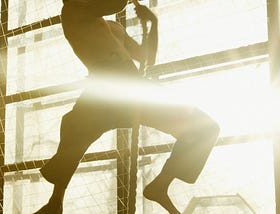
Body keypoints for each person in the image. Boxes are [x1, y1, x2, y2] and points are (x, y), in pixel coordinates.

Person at [34, 0, 220, 213]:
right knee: (74, 129)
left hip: (131, 85)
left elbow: (146, 57)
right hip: (105, 88)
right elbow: (116, 4)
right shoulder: (73, 11)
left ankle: (160, 185)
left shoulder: (113, 27)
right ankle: (55, 202)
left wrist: (153, 23)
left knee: (205, 127)